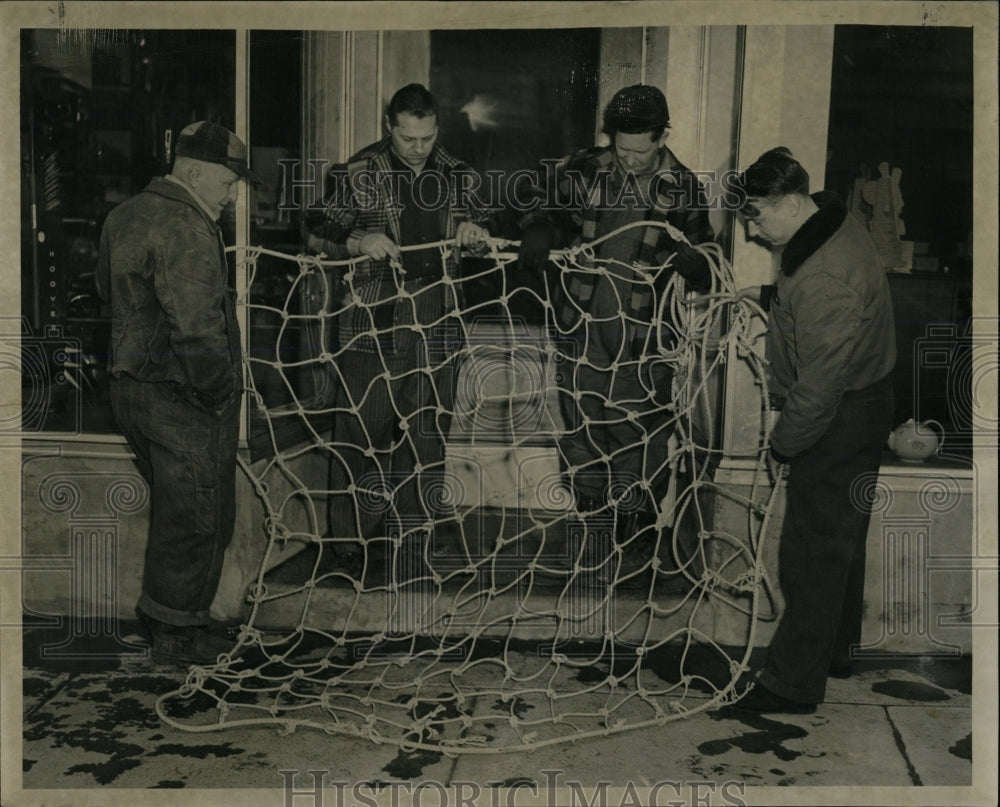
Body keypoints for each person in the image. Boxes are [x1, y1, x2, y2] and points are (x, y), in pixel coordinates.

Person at [515, 84, 715, 570]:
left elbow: (709, 257)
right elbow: (534, 205)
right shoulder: (583, 168)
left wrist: (695, 263)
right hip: (581, 330)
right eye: (620, 148)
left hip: (646, 339)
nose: (627, 159)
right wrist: (538, 228)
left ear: (662, 136)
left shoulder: (685, 187)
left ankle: (636, 537)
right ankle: (591, 530)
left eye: (639, 151)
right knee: (583, 431)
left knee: (638, 437)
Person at [727, 147, 896, 714]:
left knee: (812, 550)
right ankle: (834, 652)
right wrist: (771, 297)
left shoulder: (827, 275)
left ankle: (791, 685)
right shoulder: (826, 222)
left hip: (841, 414)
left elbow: (818, 387)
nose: (752, 228)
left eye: (756, 214)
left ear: (793, 202)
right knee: (841, 542)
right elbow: (823, 305)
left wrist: (782, 444)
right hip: (862, 400)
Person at [97, 121, 260, 666]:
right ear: (193, 172)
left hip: (131, 390)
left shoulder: (125, 213)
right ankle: (173, 642)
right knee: (196, 515)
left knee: (179, 509)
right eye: (226, 182)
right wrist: (218, 394)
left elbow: (105, 293)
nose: (231, 195)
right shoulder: (187, 224)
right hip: (180, 394)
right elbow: (197, 329)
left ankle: (184, 625)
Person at [306, 83, 493, 550]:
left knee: (426, 436)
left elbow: (491, 227)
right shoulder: (357, 171)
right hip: (372, 316)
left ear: (436, 128)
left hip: (437, 317)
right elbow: (313, 231)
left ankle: (414, 539)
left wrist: (477, 231)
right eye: (408, 138)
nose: (419, 149)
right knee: (360, 433)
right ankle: (350, 544)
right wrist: (357, 243)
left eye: (427, 137)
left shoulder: (458, 174)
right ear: (390, 128)